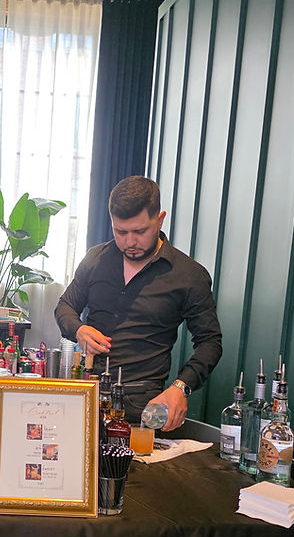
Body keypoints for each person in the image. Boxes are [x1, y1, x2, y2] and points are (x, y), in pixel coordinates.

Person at [54, 176, 222, 431]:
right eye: (120, 232)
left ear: (160, 219)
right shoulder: (95, 259)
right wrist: (79, 330)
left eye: (140, 232)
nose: (130, 242)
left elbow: (210, 342)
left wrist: (181, 387)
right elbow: (65, 306)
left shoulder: (189, 276)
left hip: (142, 409)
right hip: (85, 396)